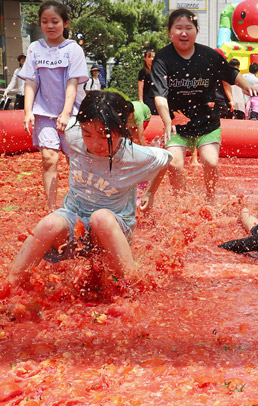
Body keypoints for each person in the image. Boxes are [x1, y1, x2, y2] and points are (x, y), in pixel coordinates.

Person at [8, 91, 171, 289]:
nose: (94, 143)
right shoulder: (73, 133)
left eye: (104, 135)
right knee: (49, 223)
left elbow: (167, 160)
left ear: (122, 129)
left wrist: (149, 194)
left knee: (100, 218)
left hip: (113, 226)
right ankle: (10, 287)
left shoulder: (135, 155)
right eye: (87, 134)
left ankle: (134, 283)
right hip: (73, 220)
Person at [151, 8, 258, 203]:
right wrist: (166, 121)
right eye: (178, 28)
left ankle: (210, 198)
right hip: (176, 122)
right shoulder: (162, 59)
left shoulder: (208, 56)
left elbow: (231, 74)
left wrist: (247, 86)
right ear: (170, 32)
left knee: (210, 161)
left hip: (207, 120)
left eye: (189, 28)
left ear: (196, 31)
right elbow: (160, 96)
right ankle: (181, 202)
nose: (184, 33)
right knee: (174, 164)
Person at [19, 0, 89, 210]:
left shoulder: (73, 50)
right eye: (44, 21)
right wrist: (28, 111)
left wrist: (66, 114)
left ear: (65, 23)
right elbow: (31, 81)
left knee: (75, 161)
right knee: (49, 158)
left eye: (55, 21)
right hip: (44, 113)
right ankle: (51, 209)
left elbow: (72, 83)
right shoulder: (34, 48)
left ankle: (80, 205)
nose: (50, 26)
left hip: (73, 113)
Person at [137, 49, 157, 115]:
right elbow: (140, 86)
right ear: (145, 59)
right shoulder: (143, 71)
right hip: (147, 98)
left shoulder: (159, 70)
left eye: (153, 57)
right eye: (149, 57)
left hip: (158, 97)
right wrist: (141, 100)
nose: (151, 59)